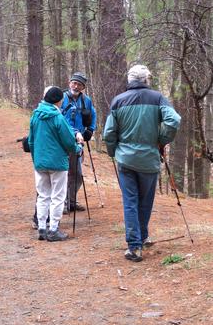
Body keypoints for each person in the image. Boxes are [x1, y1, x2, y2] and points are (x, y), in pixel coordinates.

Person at [103, 65, 181, 262]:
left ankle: (134, 246)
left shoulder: (118, 101)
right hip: (148, 158)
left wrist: (114, 152)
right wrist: (161, 140)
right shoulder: (158, 98)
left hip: (126, 160)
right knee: (145, 201)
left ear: (130, 80)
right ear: (146, 79)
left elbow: (108, 133)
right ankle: (142, 236)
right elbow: (173, 120)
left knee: (130, 202)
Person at [28, 86, 83, 242]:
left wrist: (35, 158)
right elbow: (68, 141)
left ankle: (41, 228)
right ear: (58, 100)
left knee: (43, 195)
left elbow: (31, 140)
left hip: (40, 161)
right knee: (58, 196)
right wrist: (77, 148)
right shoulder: (57, 117)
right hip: (57, 162)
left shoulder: (35, 115)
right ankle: (53, 229)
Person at [61, 72, 97, 212]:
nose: (75, 86)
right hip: (64, 139)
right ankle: (62, 203)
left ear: (83, 87)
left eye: (79, 84)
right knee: (64, 172)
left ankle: (71, 201)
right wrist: (75, 131)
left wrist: (91, 129)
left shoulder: (86, 100)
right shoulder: (62, 98)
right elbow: (60, 119)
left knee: (76, 174)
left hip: (79, 141)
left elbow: (92, 114)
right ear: (69, 83)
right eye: (73, 83)